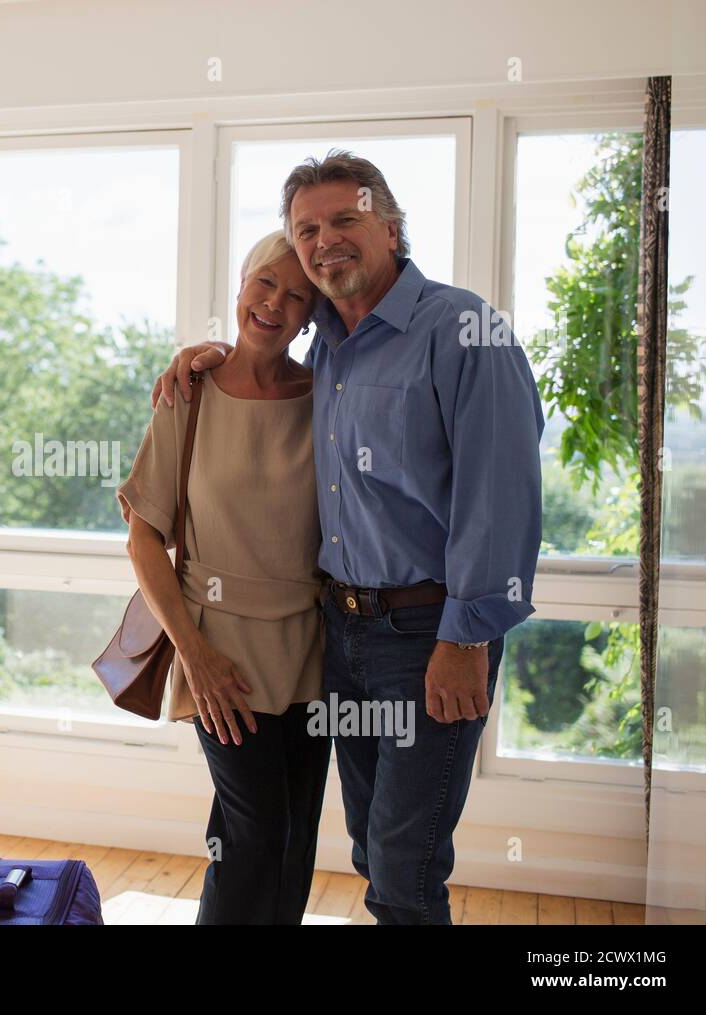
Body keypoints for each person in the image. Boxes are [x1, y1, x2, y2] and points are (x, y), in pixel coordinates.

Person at [152, 151, 544, 924]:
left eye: (344, 220)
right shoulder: (327, 340)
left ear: (391, 228)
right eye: (306, 231)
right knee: (371, 844)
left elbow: (501, 499)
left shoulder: (466, 331)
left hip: (430, 633)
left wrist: (466, 639)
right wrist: (199, 355)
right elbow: (258, 366)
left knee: (404, 865)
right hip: (339, 633)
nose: (324, 240)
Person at [118, 229, 329, 924]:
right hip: (218, 650)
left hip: (311, 648)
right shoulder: (191, 390)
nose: (275, 303)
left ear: (312, 315)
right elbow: (145, 537)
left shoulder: (325, 396)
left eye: (297, 295)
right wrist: (194, 654)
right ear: (240, 289)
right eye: (264, 284)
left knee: (293, 841)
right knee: (255, 836)